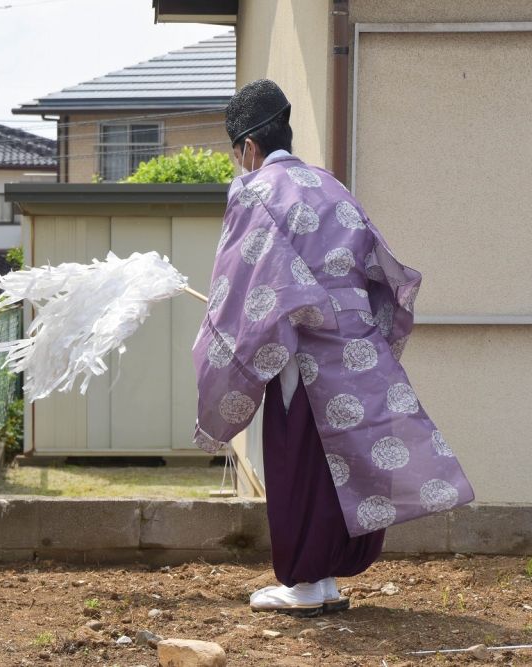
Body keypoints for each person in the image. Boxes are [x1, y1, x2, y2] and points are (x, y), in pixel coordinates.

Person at [191, 79, 474, 617]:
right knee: (341, 459)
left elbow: (245, 287)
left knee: (298, 456)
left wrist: (224, 332)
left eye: (236, 156)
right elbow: (380, 268)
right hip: (356, 343)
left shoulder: (254, 191)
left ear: (247, 148)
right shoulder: (330, 186)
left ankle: (302, 582)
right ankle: (323, 581)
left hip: (303, 345)